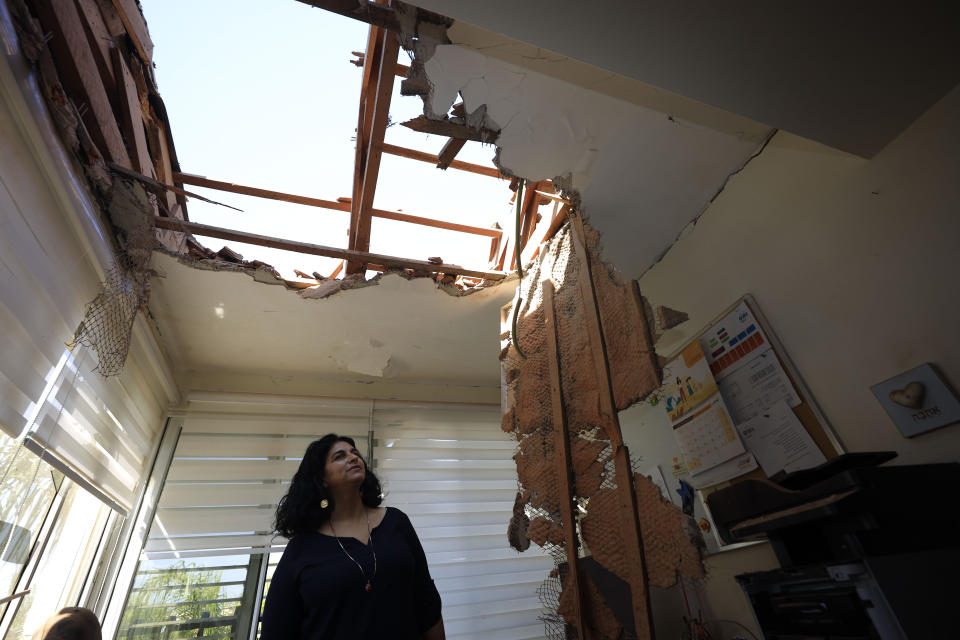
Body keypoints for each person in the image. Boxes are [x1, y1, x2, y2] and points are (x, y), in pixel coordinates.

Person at [261, 434, 444, 639]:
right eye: (340, 456)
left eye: (355, 453)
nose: (353, 457)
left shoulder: (396, 522)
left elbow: (426, 600)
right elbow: (276, 629)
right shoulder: (301, 549)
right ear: (322, 478)